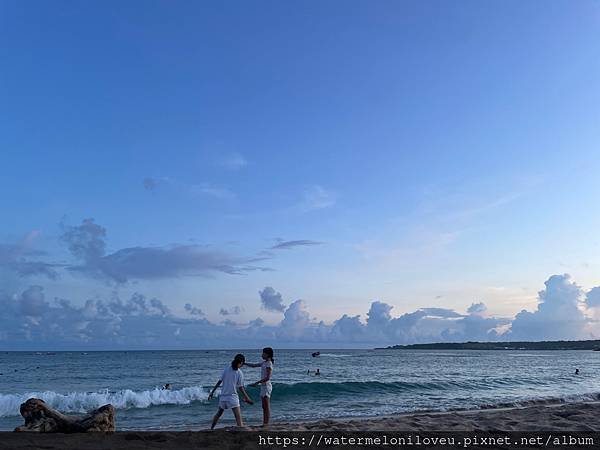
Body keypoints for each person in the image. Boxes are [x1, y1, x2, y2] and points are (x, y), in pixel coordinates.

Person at [208, 354, 253, 429]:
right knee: (238, 419)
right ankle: (240, 431)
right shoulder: (239, 373)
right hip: (232, 398)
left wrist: (212, 392)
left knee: (219, 413)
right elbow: (241, 388)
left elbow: (219, 382)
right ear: (241, 362)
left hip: (223, 397)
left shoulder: (226, 369)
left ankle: (211, 428)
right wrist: (247, 398)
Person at [246, 347, 274, 427]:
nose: (262, 354)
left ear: (267, 354)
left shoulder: (269, 363)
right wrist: (244, 363)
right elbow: (254, 366)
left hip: (266, 387)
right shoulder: (264, 363)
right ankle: (265, 423)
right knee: (263, 406)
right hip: (263, 386)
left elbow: (268, 377)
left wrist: (256, 383)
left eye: (263, 353)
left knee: (266, 406)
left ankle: (266, 423)